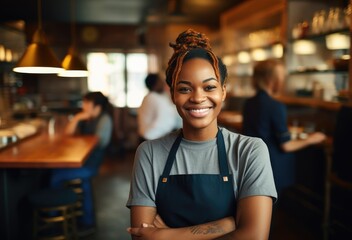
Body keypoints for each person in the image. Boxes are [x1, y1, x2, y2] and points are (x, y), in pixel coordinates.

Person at [127, 29, 277, 239]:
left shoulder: (250, 151)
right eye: (185, 89)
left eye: (209, 87)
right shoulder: (149, 153)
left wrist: (165, 235)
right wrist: (227, 225)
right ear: (172, 95)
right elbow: (142, 236)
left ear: (223, 91)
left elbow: (254, 237)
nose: (198, 98)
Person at [242, 59, 326, 196]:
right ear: (272, 79)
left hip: (252, 164)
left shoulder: (249, 103)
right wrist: (312, 139)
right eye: (281, 77)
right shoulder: (275, 106)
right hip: (272, 167)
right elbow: (286, 146)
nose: (283, 80)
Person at [50, 91, 113, 231]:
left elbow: (97, 142)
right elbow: (68, 134)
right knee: (59, 172)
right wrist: (77, 118)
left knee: (57, 175)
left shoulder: (105, 120)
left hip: (91, 165)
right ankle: (81, 218)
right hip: (84, 162)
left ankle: (53, 215)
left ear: (96, 107)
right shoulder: (87, 118)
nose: (83, 106)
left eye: (86, 103)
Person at [137, 73, 181, 141]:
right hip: (152, 138)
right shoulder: (154, 98)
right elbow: (166, 121)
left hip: (148, 137)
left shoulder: (149, 97)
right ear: (156, 84)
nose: (163, 83)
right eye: (161, 81)